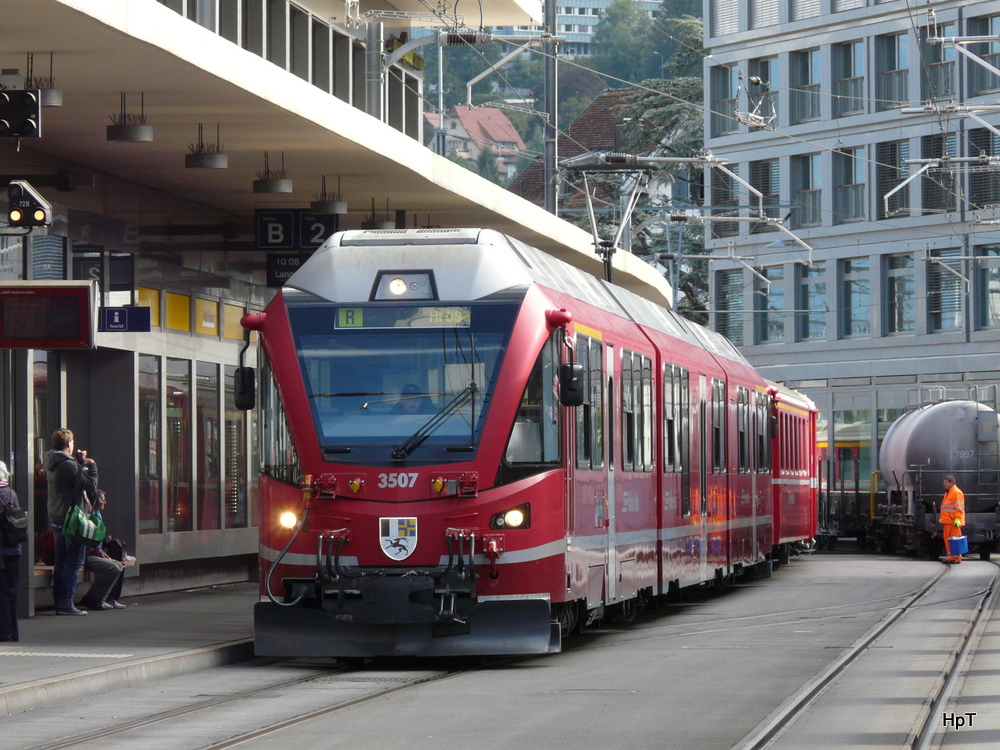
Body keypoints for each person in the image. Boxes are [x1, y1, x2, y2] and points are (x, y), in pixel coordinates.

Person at [46, 428, 98, 615]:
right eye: (73, 442)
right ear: (69, 444)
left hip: (57, 515)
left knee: (61, 560)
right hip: (72, 518)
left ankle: (59, 600)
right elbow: (90, 484)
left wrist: (77, 463)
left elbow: (70, 480)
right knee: (75, 561)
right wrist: (90, 465)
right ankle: (66, 603)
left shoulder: (51, 461)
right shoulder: (68, 465)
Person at [79, 491, 125, 611]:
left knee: (119, 564)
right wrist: (101, 553)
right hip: (86, 554)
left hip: (95, 552)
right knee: (112, 567)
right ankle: (93, 598)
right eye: (102, 500)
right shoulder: (87, 516)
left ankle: (106, 598)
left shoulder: (97, 514)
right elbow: (88, 543)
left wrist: (105, 544)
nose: (105, 502)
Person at [0, 461, 22, 641]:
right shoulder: (11, 493)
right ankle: (13, 631)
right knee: (11, 590)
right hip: (13, 548)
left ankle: (4, 631)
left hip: (1, 550)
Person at [940, 475, 966, 564]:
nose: (944, 484)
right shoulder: (948, 492)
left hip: (953, 523)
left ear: (952, 483)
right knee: (948, 541)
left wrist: (957, 519)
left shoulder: (956, 493)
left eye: (946, 482)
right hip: (947, 522)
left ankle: (957, 558)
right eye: (944, 482)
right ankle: (950, 557)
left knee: (955, 540)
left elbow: (959, 507)